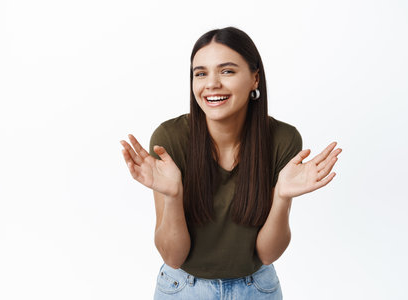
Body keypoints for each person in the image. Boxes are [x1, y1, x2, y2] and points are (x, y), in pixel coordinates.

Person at [120, 26, 341, 300]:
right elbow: (173, 257)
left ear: (254, 79)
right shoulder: (170, 139)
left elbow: (267, 254)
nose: (211, 83)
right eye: (200, 73)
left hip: (256, 289)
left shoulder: (282, 140)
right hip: (182, 289)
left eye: (227, 71)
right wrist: (173, 194)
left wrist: (282, 196)